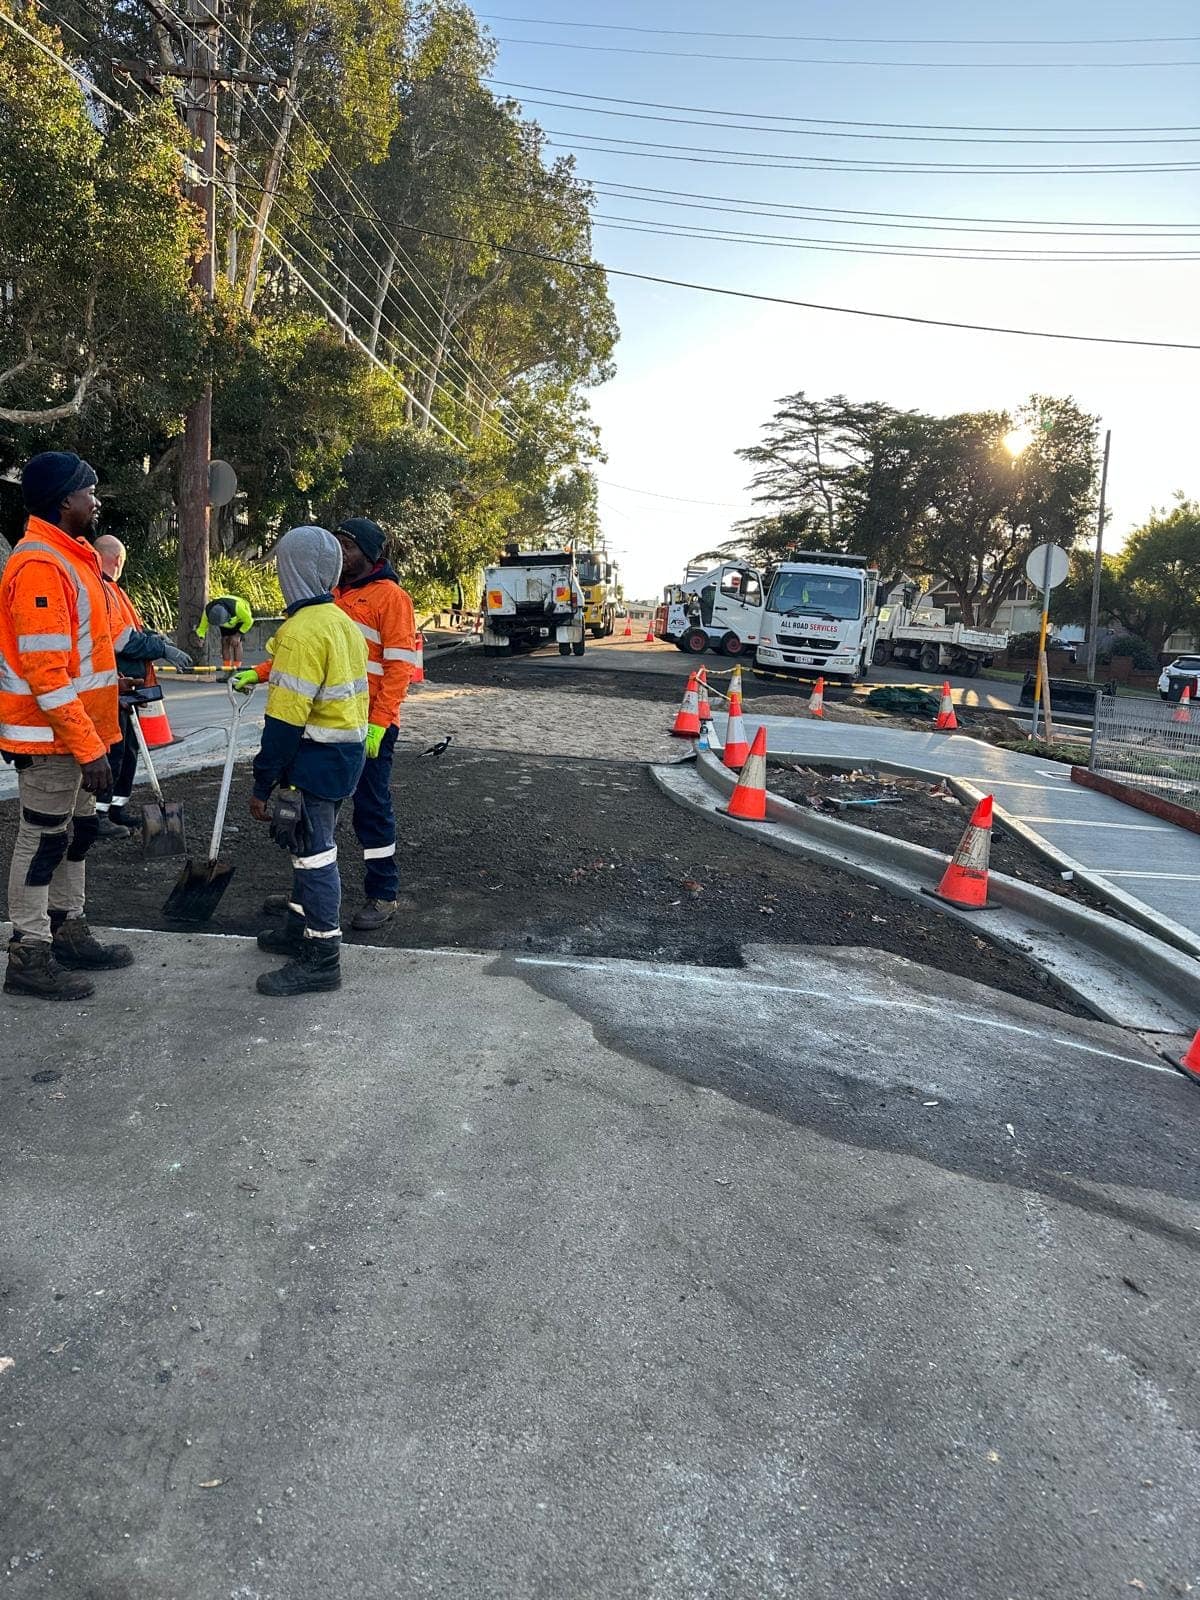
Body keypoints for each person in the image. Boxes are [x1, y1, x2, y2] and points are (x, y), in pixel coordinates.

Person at [0, 452, 133, 1000]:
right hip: (52, 742)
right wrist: (89, 747)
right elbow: (46, 672)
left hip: (76, 739)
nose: (95, 501)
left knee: (76, 836)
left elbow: (83, 656)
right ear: (64, 500)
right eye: (89, 491)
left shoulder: (71, 558)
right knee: (43, 840)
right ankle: (28, 953)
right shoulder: (41, 565)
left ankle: (67, 928)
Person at [243, 525, 368, 997]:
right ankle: (298, 929)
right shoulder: (342, 622)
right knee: (306, 848)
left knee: (315, 857)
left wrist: (262, 784)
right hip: (343, 757)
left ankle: (322, 956)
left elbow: (284, 724)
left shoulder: (300, 633)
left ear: (292, 570)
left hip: (313, 760)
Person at [330, 518, 419, 929]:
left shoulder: (392, 598)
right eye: (336, 545)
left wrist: (380, 723)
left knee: (371, 808)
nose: (340, 553)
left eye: (347, 546)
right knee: (317, 806)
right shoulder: (331, 594)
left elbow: (400, 667)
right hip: (332, 719)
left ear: (370, 553)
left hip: (370, 725)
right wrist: (259, 672)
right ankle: (307, 893)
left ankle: (383, 893)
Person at [93, 535, 193, 837]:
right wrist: (161, 648)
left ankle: (116, 809)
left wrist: (153, 637)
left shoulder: (113, 590)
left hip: (127, 687)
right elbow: (121, 640)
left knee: (128, 751)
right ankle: (98, 815)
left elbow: (131, 631)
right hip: (113, 686)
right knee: (115, 751)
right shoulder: (103, 590)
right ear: (118, 560)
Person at [196, 592, 253, 678]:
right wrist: (201, 638)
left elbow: (249, 621)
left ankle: (236, 671)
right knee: (225, 641)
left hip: (239, 620)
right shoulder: (208, 611)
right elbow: (202, 628)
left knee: (236, 643)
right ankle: (227, 671)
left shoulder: (238, 608)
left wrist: (238, 635)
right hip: (224, 620)